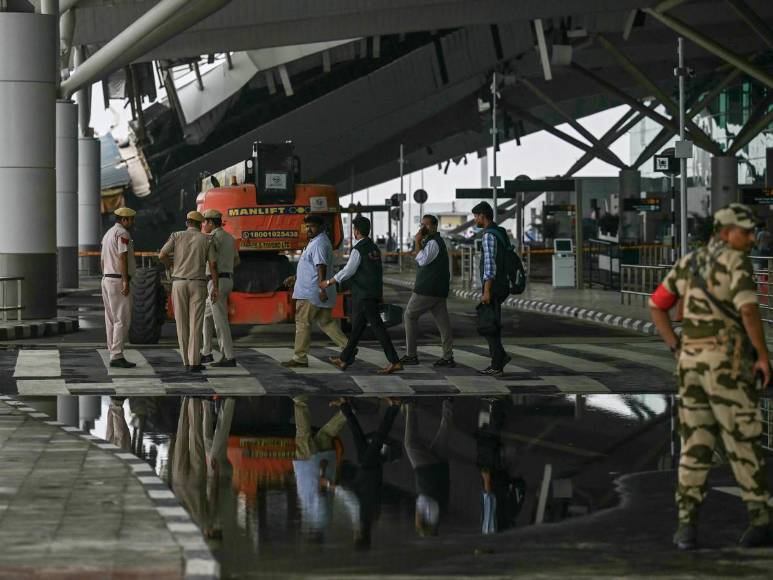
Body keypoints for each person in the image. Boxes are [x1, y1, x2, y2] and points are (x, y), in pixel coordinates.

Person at [649, 203, 772, 550]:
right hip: (726, 365)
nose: (751, 237)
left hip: (690, 364)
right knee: (742, 439)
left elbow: (657, 304)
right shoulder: (736, 262)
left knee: (695, 444)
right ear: (724, 232)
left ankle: (686, 526)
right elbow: (748, 309)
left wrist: (675, 346)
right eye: (744, 231)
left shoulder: (688, 263)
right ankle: (760, 523)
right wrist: (762, 356)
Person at [321, 215, 402, 374]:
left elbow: (348, 271)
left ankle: (394, 361)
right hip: (370, 294)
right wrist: (379, 293)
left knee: (378, 329)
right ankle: (344, 360)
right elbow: (377, 273)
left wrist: (329, 282)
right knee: (357, 330)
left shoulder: (358, 249)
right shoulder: (373, 248)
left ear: (356, 231)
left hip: (363, 295)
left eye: (353, 229)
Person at [322, 398, 401, 550]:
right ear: (358, 536)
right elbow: (350, 498)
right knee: (378, 437)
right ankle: (395, 407)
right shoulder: (362, 520)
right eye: (355, 537)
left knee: (357, 435)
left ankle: (345, 405)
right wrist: (331, 486)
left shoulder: (373, 519)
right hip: (368, 467)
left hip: (370, 469)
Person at [281, 215, 348, 368]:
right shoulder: (317, 242)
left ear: (322, 227)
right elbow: (311, 267)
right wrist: (296, 277)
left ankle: (300, 358)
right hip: (314, 291)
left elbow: (320, 267)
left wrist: (321, 288)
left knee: (302, 323)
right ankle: (348, 348)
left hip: (310, 293)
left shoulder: (318, 243)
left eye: (312, 226)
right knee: (326, 322)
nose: (308, 229)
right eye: (307, 226)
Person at [160, 211, 219, 372]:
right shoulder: (207, 239)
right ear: (201, 224)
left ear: (187, 223)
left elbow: (162, 254)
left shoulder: (176, 236)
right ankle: (194, 362)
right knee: (196, 323)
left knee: (181, 323)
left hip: (178, 283)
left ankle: (185, 361)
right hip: (198, 284)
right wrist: (216, 287)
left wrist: (170, 266)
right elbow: (213, 265)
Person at [400, 214, 455, 367]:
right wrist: (419, 243)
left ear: (434, 226)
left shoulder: (434, 243)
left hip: (427, 289)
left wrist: (417, 241)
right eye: (422, 225)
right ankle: (448, 356)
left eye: (426, 225)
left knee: (409, 316)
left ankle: (411, 355)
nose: (422, 228)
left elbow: (423, 260)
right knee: (443, 323)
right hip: (438, 289)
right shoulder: (433, 242)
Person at [292, 395, 347, 541]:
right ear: (313, 533)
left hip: (323, 464)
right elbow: (320, 496)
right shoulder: (318, 519)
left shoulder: (324, 520)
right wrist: (321, 472)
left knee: (325, 435)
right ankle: (299, 401)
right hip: (310, 467)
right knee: (303, 435)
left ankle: (347, 411)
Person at [471, 201, 512, 376]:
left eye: (476, 216)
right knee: (491, 323)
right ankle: (499, 358)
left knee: (489, 325)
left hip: (493, 286)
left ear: (482, 215)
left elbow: (490, 265)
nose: (475, 219)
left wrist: (486, 290)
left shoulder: (488, 235)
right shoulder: (500, 231)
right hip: (502, 283)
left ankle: (497, 363)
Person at [403, 399, 452, 536]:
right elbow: (424, 499)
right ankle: (411, 406)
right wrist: (418, 520)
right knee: (410, 444)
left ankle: (448, 402)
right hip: (426, 469)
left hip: (440, 468)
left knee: (444, 432)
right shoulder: (431, 513)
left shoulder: (440, 513)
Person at [200, 209, 239, 367]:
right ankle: (206, 352)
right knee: (206, 316)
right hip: (227, 279)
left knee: (220, 321)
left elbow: (212, 263)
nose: (203, 226)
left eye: (204, 222)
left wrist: (215, 285)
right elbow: (237, 260)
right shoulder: (230, 238)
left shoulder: (212, 238)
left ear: (210, 222)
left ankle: (228, 356)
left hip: (216, 282)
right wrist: (227, 268)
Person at [100, 207, 138, 369]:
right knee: (122, 319)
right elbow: (122, 257)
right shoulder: (122, 234)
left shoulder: (108, 234)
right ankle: (117, 355)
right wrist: (125, 281)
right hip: (117, 280)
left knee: (111, 319)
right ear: (123, 220)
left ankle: (113, 351)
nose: (132, 222)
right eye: (131, 219)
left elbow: (102, 259)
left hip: (107, 279)